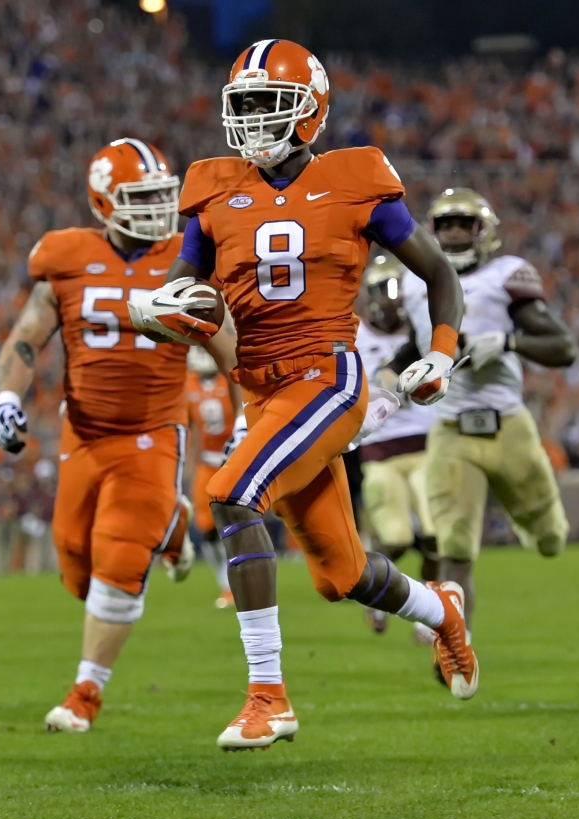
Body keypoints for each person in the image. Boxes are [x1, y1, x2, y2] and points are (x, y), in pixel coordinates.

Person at [131, 39, 477, 751]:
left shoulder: (355, 180)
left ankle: (268, 695)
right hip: (261, 393)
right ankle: (440, 609)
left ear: (311, 110)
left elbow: (439, 274)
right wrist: (156, 313)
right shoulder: (211, 189)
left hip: (326, 376)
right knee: (341, 576)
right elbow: (177, 295)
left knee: (229, 494)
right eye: (245, 105)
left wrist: (441, 352)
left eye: (270, 103)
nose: (255, 119)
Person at [0, 139, 238, 733]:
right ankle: (173, 523)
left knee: (120, 558)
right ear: (104, 201)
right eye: (141, 198)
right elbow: (28, 336)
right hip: (83, 433)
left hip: (153, 432)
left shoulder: (188, 256)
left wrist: (247, 416)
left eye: (161, 194)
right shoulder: (66, 256)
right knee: (75, 564)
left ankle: (84, 694)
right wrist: (7, 396)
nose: (157, 209)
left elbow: (230, 348)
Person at [388, 188, 576, 631]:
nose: (454, 234)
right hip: (451, 428)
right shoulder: (418, 284)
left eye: (463, 225)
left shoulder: (505, 276)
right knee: (454, 546)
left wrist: (508, 341)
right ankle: (456, 643)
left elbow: (563, 347)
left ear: (483, 231)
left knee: (550, 538)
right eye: (446, 225)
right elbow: (413, 345)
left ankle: (541, 530)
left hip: (507, 424)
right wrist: (387, 380)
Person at [354, 254, 439, 642]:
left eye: (397, 290)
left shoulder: (422, 333)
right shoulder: (354, 336)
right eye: (384, 289)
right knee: (398, 537)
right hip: (380, 450)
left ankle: (432, 610)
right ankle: (374, 587)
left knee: (438, 535)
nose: (391, 300)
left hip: (427, 445)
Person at [186, 345, 236, 608]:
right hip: (206, 463)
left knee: (237, 524)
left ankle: (243, 579)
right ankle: (225, 583)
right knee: (206, 530)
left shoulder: (230, 379)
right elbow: (186, 423)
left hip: (234, 460)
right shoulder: (188, 385)